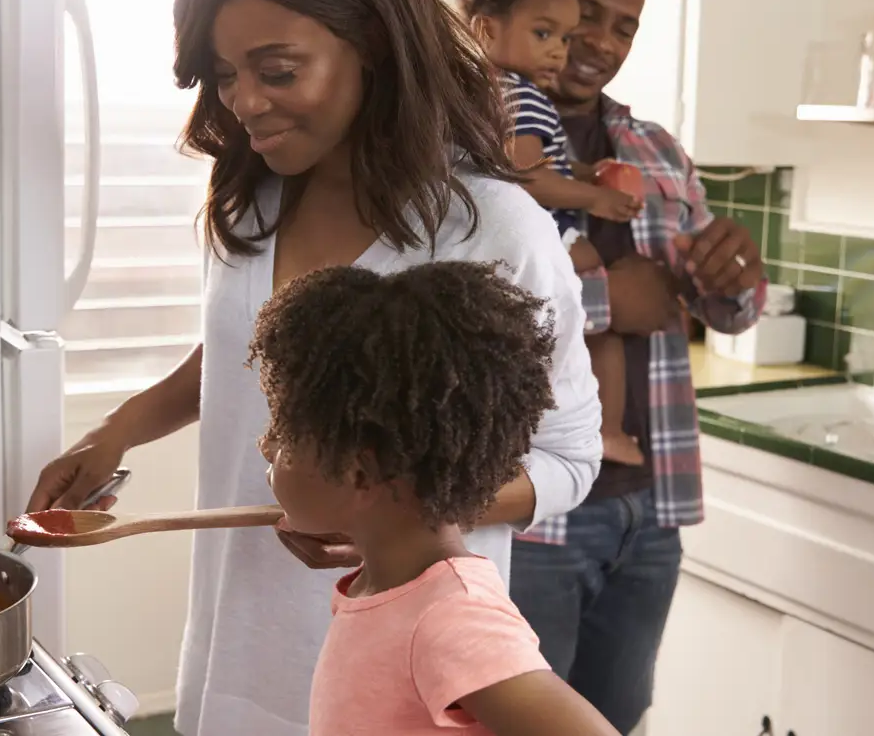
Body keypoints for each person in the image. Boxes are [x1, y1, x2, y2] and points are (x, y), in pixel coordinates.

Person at [25, 0, 602, 736]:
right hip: (233, 651)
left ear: (370, 40)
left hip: (399, 683)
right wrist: (116, 432)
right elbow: (240, 356)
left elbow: (569, 461)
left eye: (277, 70)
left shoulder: (491, 231)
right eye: (224, 75)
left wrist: (390, 509)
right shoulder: (254, 200)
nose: (243, 102)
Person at [508, 0, 769, 733]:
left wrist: (737, 283)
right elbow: (456, 302)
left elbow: (725, 308)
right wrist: (603, 298)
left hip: (650, 511)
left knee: (619, 719)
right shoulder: (488, 137)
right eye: (588, 15)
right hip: (533, 508)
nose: (602, 42)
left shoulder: (657, 148)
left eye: (627, 28)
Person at [250, 261, 621, 736]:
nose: (268, 445)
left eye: (287, 436)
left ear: (361, 472)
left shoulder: (452, 618)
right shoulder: (383, 588)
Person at [456, 0, 645, 468]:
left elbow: (540, 161)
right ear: (488, 30)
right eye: (547, 33)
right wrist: (595, 197)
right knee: (593, 295)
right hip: (543, 225)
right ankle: (603, 429)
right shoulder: (521, 95)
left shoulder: (481, 91)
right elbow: (525, 174)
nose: (561, 50)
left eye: (561, 35)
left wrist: (585, 172)